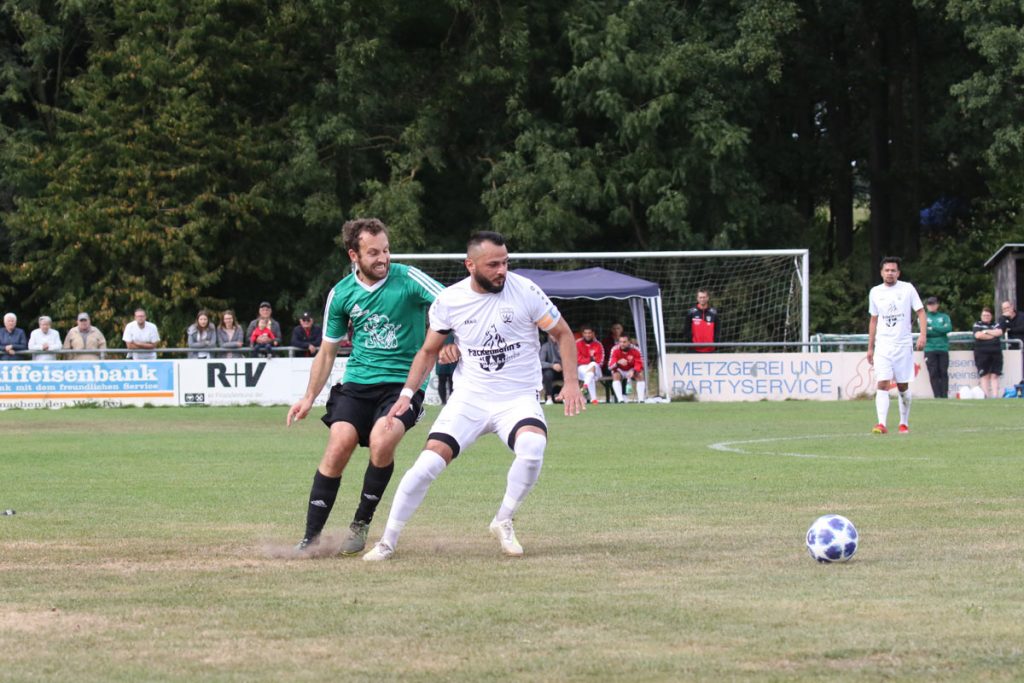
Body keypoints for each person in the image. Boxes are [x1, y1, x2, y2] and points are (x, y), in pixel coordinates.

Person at [363, 230, 585, 562]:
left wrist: (571, 382)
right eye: (493, 264)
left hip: (517, 397)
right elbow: (428, 351)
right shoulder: (449, 300)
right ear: (470, 265)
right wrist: (407, 393)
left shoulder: (526, 291)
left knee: (532, 447)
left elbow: (563, 334)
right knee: (426, 465)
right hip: (470, 398)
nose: (502, 270)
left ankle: (503, 520)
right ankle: (387, 541)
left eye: (505, 262)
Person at [286, 217, 444, 557]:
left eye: (386, 250)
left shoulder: (408, 279)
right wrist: (308, 397)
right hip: (357, 383)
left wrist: (443, 338)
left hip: (403, 385)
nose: (383, 258)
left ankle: (360, 523)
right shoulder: (342, 293)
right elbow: (327, 352)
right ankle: (311, 538)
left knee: (382, 439)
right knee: (338, 444)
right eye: (373, 253)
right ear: (353, 256)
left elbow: (453, 303)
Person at [867, 257, 926, 434]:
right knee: (882, 383)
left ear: (898, 273)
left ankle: (903, 423)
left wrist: (923, 335)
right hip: (883, 345)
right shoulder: (875, 292)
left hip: (903, 345)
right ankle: (881, 424)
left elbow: (921, 312)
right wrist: (870, 347)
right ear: (881, 273)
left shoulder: (907, 289)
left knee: (902, 386)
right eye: (887, 270)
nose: (890, 273)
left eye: (893, 270)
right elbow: (873, 320)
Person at [923, 296, 952, 398]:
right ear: (927, 306)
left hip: (943, 348)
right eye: (929, 304)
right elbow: (925, 331)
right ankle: (937, 395)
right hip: (929, 348)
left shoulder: (944, 316)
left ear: (937, 305)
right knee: (933, 372)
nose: (931, 306)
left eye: (933, 304)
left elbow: (948, 328)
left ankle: (944, 395)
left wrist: (933, 328)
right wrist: (940, 329)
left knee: (943, 372)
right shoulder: (923, 317)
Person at [973, 306, 1003, 398]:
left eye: (988, 315)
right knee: (984, 375)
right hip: (982, 353)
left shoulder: (996, 324)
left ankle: (995, 396)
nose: (986, 317)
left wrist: (985, 331)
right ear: (981, 316)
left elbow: (999, 332)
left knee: (995, 375)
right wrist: (992, 335)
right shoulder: (977, 324)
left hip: (996, 353)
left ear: (991, 316)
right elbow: (978, 335)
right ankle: (986, 396)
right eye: (984, 315)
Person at [608, 333, 646, 403]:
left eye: (624, 342)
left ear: (629, 342)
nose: (622, 344)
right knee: (615, 375)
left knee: (640, 375)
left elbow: (639, 363)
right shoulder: (614, 349)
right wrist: (617, 363)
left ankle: (641, 400)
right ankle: (620, 400)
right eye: (620, 342)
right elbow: (610, 366)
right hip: (620, 370)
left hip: (631, 369)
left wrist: (634, 370)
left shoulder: (636, 349)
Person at [576, 324, 604, 405]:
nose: (587, 335)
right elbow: (578, 359)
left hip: (596, 369)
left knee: (593, 364)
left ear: (593, 334)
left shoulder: (598, 345)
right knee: (589, 374)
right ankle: (594, 399)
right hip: (582, 368)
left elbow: (600, 360)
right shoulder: (578, 344)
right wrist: (590, 359)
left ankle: (585, 387)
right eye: (585, 333)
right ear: (583, 334)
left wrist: (591, 361)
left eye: (589, 333)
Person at [998, 300, 1024, 384]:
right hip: (1011, 349)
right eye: (1004, 309)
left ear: (1012, 307)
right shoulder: (1002, 318)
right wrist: (1003, 318)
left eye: (1007, 307)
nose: (1006, 310)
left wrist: (1010, 330)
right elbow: (1000, 330)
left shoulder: (1022, 316)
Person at [686, 288, 718, 352]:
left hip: (710, 349)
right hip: (694, 349)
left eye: (704, 297)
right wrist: (691, 342)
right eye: (700, 297)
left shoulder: (713, 313)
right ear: (697, 298)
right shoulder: (691, 313)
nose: (702, 299)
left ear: (707, 298)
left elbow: (717, 330)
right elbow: (686, 329)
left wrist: (715, 343)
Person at [538, 332, 563, 404]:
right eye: (552, 334)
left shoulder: (564, 345)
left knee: (569, 373)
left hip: (563, 369)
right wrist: (552, 366)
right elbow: (540, 362)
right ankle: (549, 398)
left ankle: (566, 396)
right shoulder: (545, 346)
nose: (554, 336)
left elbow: (570, 360)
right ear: (549, 336)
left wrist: (563, 366)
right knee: (547, 374)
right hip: (551, 369)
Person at [434, 332, 456, 404]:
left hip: (453, 358)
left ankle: (451, 401)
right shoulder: (439, 330)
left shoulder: (455, 331)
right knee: (442, 380)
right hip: (441, 357)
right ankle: (443, 402)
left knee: (452, 381)